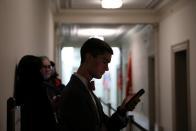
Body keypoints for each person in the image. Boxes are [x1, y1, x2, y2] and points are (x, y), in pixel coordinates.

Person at [57, 38, 140, 131]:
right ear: (88, 57)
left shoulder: (84, 88)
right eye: (104, 62)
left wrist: (123, 109)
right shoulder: (74, 93)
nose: (107, 68)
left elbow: (106, 124)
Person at [14, 55, 57, 131]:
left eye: (49, 67)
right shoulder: (38, 89)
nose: (45, 70)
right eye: (41, 67)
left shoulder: (22, 87)